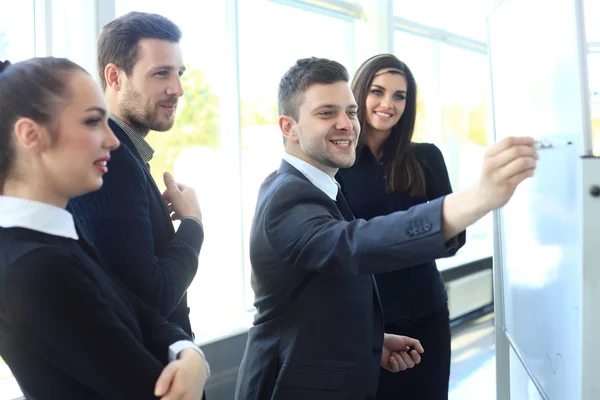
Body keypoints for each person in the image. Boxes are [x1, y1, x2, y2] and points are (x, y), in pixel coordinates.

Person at [235, 57, 537, 400]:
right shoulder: (288, 196)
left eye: (349, 112)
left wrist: (369, 341)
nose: (346, 124)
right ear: (288, 127)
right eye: (326, 113)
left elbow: (319, 299)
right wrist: (478, 198)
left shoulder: (318, 185)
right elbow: (354, 245)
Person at [0, 57, 207, 399]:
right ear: (30, 135)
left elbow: (143, 315)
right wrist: (189, 360)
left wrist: (191, 353)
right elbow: (157, 390)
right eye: (93, 121)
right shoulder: (34, 266)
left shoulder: (54, 239)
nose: (112, 140)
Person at [68, 12, 202, 338]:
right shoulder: (110, 161)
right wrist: (192, 225)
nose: (178, 89)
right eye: (161, 74)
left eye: (179, 73)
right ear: (114, 77)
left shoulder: (126, 155)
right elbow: (150, 297)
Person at [336, 53, 460, 399]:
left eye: (399, 96)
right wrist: (422, 233)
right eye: (378, 91)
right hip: (365, 320)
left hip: (426, 311)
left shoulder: (427, 158)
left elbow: (456, 237)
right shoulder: (337, 162)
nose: (387, 104)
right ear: (360, 93)